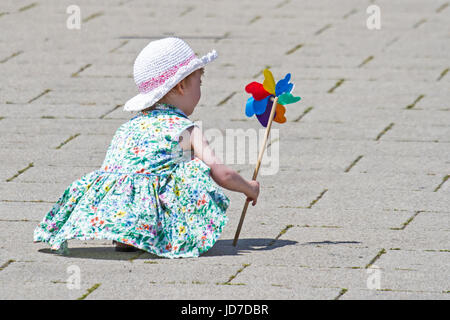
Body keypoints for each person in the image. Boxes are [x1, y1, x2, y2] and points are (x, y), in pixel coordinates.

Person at [33, 37, 259, 258]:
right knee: (192, 172)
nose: (200, 90)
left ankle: (126, 233)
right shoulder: (185, 130)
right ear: (181, 86)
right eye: (199, 83)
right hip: (150, 213)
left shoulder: (128, 127)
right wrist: (249, 187)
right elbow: (222, 174)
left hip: (114, 210)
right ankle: (154, 231)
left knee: (164, 169)